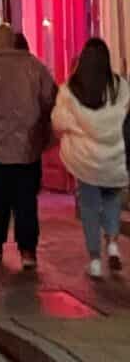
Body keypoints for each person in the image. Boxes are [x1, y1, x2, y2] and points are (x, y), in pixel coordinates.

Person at [0, 24, 56, 270]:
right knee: (26, 200)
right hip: (28, 146)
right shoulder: (35, 66)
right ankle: (28, 251)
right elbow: (50, 99)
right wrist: (44, 132)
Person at [51, 37, 129, 278]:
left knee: (89, 208)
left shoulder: (71, 89)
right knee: (112, 202)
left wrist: (79, 127)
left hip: (85, 160)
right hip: (115, 158)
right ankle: (114, 244)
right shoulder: (120, 86)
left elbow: (59, 121)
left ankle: (95, 260)